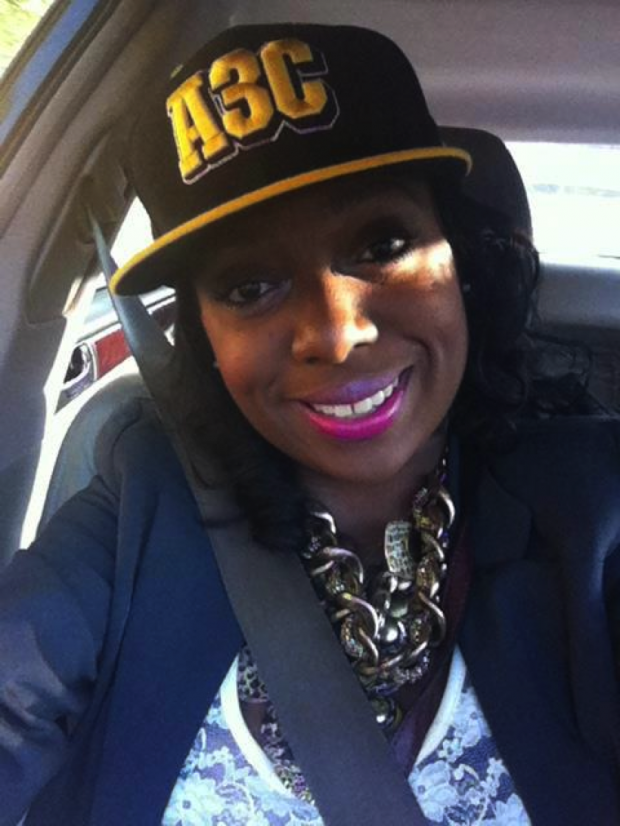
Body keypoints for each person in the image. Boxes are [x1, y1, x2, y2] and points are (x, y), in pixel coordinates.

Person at [1, 21, 619, 826]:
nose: (334, 332)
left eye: (382, 243)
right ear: (204, 337)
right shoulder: (137, 502)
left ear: (459, 260)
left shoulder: (595, 507)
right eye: (249, 287)